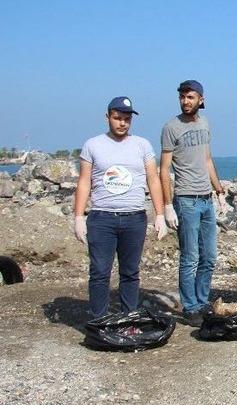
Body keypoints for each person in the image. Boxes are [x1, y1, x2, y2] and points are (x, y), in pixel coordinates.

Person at [73, 97, 168, 320]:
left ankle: (129, 319)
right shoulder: (93, 145)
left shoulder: (142, 145)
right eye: (117, 118)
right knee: (99, 272)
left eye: (126, 119)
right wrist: (78, 216)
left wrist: (160, 214)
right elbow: (84, 181)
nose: (122, 123)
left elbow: (153, 179)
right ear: (108, 117)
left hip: (134, 218)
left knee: (130, 273)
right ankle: (99, 320)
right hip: (102, 218)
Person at [159, 80, 228, 327]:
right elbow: (164, 169)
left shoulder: (205, 123)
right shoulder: (171, 127)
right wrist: (167, 205)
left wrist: (218, 189)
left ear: (201, 99)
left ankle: (201, 300)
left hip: (206, 199)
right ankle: (190, 307)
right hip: (186, 199)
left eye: (190, 97)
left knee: (209, 256)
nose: (186, 101)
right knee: (190, 256)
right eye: (182, 97)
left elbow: (207, 159)